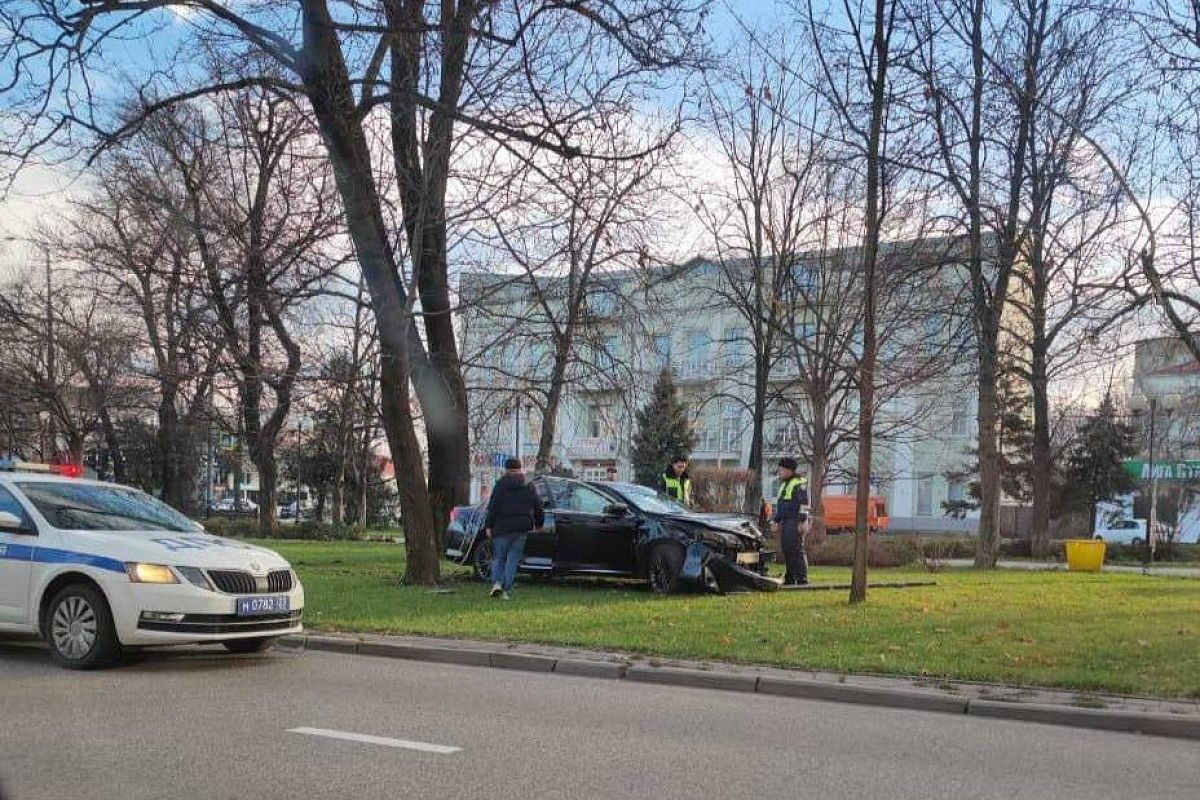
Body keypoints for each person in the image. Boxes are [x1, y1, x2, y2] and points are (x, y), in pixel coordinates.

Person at [484, 457, 545, 600]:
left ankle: (497, 584)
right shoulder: (528, 485)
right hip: (521, 527)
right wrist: (539, 524)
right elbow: (538, 506)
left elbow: (493, 506)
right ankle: (506, 590)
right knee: (513, 559)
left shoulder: (500, 484)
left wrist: (488, 525)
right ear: (520, 468)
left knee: (498, 557)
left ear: (506, 469)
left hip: (502, 527)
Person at [771, 457, 810, 586]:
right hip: (787, 521)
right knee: (788, 549)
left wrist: (802, 521)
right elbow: (782, 505)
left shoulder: (799, 482)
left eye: (781, 469)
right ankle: (790, 577)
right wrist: (776, 520)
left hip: (795, 521)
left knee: (797, 550)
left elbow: (803, 503)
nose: (779, 472)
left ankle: (801, 578)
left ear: (789, 470)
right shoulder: (785, 484)